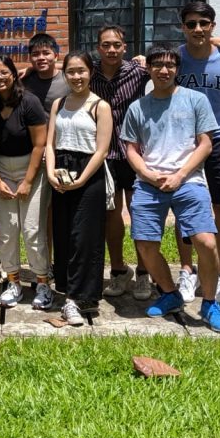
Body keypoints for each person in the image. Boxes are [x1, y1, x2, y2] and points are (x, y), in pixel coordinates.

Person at [120, 46, 220, 333]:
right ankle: (170, 294)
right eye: (158, 65)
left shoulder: (196, 100)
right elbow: (130, 148)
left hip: (189, 181)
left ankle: (209, 303)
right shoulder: (138, 107)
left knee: (205, 242)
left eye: (170, 65)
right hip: (149, 183)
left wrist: (180, 174)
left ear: (177, 69)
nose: (164, 70)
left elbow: (206, 143)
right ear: (149, 69)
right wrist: (147, 173)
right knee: (144, 244)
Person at [173, 2, 220, 306]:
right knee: (183, 208)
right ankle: (187, 272)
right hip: (183, 144)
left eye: (204, 23)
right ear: (183, 27)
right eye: (191, 24)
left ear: (213, 26)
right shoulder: (176, 58)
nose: (198, 29)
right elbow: (148, 63)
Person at [45, 51, 112, 326]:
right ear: (64, 74)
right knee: (63, 235)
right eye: (71, 71)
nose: (76, 76)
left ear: (90, 72)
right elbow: (50, 143)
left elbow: (102, 149)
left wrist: (83, 179)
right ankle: (66, 288)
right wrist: (50, 173)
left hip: (89, 175)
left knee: (84, 237)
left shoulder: (100, 106)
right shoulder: (58, 103)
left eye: (81, 71)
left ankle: (78, 298)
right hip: (60, 170)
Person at [0, 56, 52, 309]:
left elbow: (39, 145)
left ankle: (42, 283)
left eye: (4, 72)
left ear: (13, 74)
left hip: (30, 169)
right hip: (1, 168)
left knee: (33, 230)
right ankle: (13, 281)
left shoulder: (29, 102)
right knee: (8, 231)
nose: (0, 78)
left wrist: (28, 181)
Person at [89, 24, 151, 299]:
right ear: (98, 47)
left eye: (116, 44)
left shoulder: (139, 71)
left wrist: (214, 39)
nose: (111, 49)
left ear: (125, 47)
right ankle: (117, 271)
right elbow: (57, 67)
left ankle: (144, 273)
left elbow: (177, 64)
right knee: (111, 216)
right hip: (105, 155)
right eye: (106, 44)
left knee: (140, 213)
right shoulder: (89, 73)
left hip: (136, 154)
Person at [22, 33, 70, 113]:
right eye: (35, 54)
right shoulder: (25, 80)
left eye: (46, 53)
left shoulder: (68, 79)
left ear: (56, 56)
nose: (41, 58)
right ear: (30, 58)